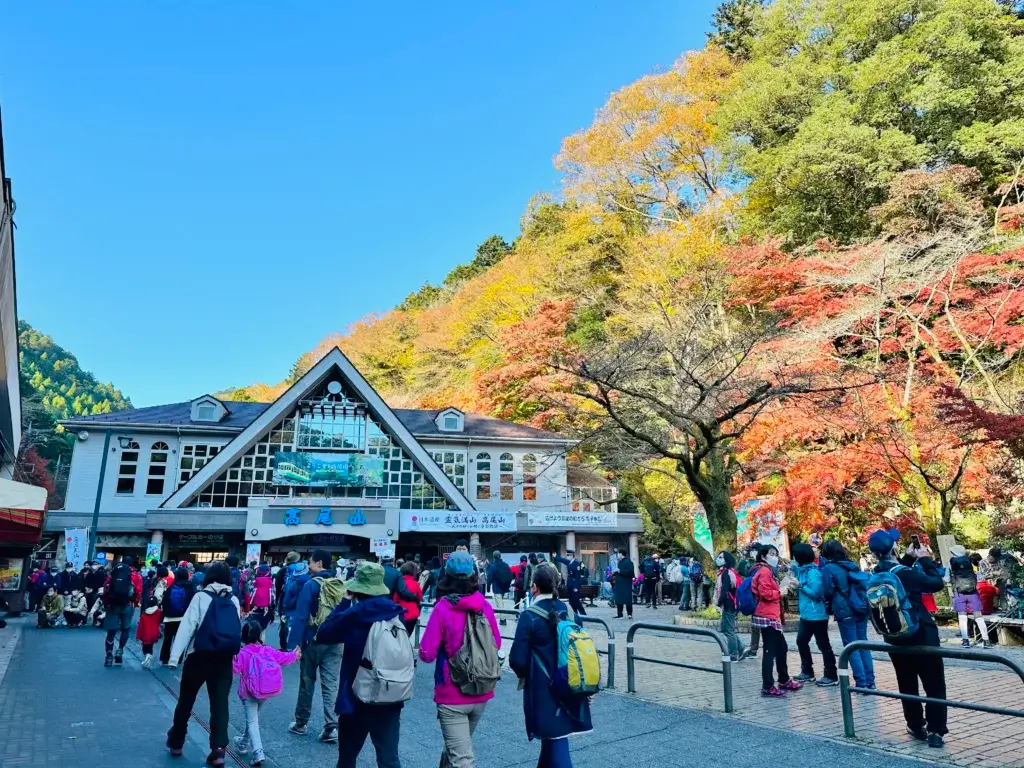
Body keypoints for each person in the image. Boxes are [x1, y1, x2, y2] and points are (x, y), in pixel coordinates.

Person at [316, 561, 408, 768]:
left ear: (357, 588)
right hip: (390, 693)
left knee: (347, 757)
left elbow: (324, 633)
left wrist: (343, 603)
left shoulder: (353, 616)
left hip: (356, 696)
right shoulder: (395, 612)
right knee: (389, 758)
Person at [419, 551, 501, 768]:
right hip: (482, 689)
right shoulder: (484, 605)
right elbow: (497, 643)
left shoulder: (443, 608)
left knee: (461, 758)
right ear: (473, 576)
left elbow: (426, 654)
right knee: (455, 748)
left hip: (452, 693)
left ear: (447, 576)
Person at [867, 528, 947, 748]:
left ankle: (915, 724)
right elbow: (936, 583)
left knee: (907, 682)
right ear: (894, 547)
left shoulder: (875, 574)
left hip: (895, 637)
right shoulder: (906, 574)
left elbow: (898, 574)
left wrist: (909, 558)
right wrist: (925, 559)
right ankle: (936, 731)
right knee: (934, 684)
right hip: (922, 634)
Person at [510, 564, 592, 768]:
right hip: (569, 681)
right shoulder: (566, 609)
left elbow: (517, 660)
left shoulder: (529, 616)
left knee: (556, 739)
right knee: (553, 736)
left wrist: (527, 675)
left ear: (534, 587)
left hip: (543, 687)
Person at [166, 561, 243, 767]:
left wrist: (174, 658)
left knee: (186, 699)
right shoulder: (234, 600)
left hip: (198, 656)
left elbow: (187, 627)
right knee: (219, 704)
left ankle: (177, 741)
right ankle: (218, 750)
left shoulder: (201, 597)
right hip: (224, 659)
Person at [285, 549, 345, 744]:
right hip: (335, 642)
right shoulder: (340, 585)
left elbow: (301, 616)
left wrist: (292, 645)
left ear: (319, 563)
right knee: (331, 685)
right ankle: (331, 726)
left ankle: (301, 723)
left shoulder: (311, 585)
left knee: (307, 682)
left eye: (310, 562)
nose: (309, 566)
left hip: (313, 641)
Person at [233, 619, 301, 767]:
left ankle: (258, 752)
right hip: (265, 692)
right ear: (260, 635)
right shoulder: (267, 650)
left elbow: (234, 668)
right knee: (253, 720)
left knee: (252, 721)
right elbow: (283, 657)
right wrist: (294, 655)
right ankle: (243, 742)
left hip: (249, 692)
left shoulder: (243, 653)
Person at [820, 540, 875, 690]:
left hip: (844, 610)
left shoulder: (828, 568)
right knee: (863, 643)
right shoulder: (852, 565)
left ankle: (861, 682)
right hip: (860, 607)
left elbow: (828, 591)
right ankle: (870, 681)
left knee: (851, 646)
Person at [750, 544, 801, 697]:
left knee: (781, 648)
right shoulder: (764, 571)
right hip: (767, 616)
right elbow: (764, 592)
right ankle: (767, 686)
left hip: (770, 615)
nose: (775, 556)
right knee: (769, 651)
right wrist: (779, 592)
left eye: (776, 553)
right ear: (763, 556)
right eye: (771, 554)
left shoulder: (766, 570)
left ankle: (783, 679)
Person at [791, 543, 838, 686]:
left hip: (817, 615)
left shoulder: (813, 572)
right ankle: (807, 671)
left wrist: (800, 586)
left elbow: (817, 594)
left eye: (794, 556)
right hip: (806, 615)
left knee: (823, 644)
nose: (793, 558)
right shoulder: (801, 571)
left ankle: (831, 674)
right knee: (801, 641)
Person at [948, 545, 991, 648]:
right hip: (972, 592)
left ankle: (965, 641)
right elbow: (980, 576)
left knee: (962, 616)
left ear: (954, 553)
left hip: (959, 593)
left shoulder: (951, 564)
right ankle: (986, 641)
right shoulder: (970, 562)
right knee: (978, 616)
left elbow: (946, 578)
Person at [102, 556, 143, 667]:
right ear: (132, 565)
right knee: (125, 629)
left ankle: (109, 656)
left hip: (113, 605)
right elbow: (138, 592)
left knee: (111, 631)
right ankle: (119, 650)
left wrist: (106, 602)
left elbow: (106, 587)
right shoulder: (136, 576)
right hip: (128, 605)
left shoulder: (113, 573)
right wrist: (135, 603)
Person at [161, 567, 197, 665]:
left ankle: (165, 658)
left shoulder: (172, 586)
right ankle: (178, 658)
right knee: (180, 638)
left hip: (170, 617)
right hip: (184, 617)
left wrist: (165, 613)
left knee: (167, 638)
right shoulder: (190, 587)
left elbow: (165, 601)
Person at [137, 565, 170, 668]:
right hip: (156, 609)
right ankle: (149, 654)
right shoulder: (163, 582)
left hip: (151, 606)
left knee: (146, 640)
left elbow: (155, 595)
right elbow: (159, 597)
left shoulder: (155, 581)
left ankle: (147, 655)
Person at [713, 551, 742, 660]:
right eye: (718, 557)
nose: (718, 559)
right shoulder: (727, 572)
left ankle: (733, 655)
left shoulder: (726, 573)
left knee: (729, 630)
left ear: (727, 560)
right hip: (730, 604)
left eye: (721, 557)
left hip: (729, 604)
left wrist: (718, 603)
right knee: (726, 628)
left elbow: (725, 591)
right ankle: (741, 648)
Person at [278, 557, 311, 651]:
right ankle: (301, 648)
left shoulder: (291, 582)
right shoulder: (310, 581)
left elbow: (286, 598)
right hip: (304, 610)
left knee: (288, 628)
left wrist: (283, 609)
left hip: (290, 610)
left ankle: (287, 648)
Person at [554, 549, 587, 621]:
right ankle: (574, 615)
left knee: (576, 601)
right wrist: (556, 556)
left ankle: (584, 615)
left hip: (574, 585)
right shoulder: (569, 562)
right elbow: (562, 560)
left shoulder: (576, 563)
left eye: (569, 555)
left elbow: (578, 576)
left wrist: (576, 587)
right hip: (570, 585)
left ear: (573, 555)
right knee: (571, 601)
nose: (568, 556)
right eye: (567, 555)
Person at [395, 561, 423, 635]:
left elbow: (395, 599)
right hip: (412, 614)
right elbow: (420, 598)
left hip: (400, 614)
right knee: (407, 636)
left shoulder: (398, 583)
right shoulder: (415, 584)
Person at [487, 550, 514, 624]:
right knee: (501, 602)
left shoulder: (492, 566)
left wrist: (488, 588)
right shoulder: (505, 565)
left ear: (493, 556)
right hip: (504, 587)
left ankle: (503, 619)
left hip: (496, 587)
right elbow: (510, 576)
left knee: (500, 604)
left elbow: (489, 577)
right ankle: (503, 617)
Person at [249, 564, 275, 629]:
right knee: (263, 631)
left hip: (254, 608)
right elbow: (274, 597)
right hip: (266, 608)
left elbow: (249, 593)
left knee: (253, 628)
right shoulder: (271, 583)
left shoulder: (254, 581)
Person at [613, 548, 635, 619]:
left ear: (621, 554)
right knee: (619, 599)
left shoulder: (628, 562)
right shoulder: (619, 562)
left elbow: (631, 572)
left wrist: (620, 571)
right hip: (619, 583)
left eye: (618, 553)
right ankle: (619, 613)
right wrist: (614, 573)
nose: (617, 555)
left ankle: (629, 613)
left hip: (626, 583)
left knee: (627, 599)